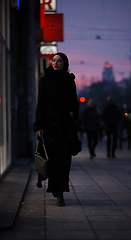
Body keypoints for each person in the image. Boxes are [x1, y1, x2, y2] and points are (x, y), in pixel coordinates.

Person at [33, 52, 80, 207]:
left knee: (64, 160)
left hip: (65, 126)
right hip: (50, 125)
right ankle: (55, 188)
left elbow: (75, 100)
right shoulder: (45, 79)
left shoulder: (69, 80)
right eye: (54, 60)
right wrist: (39, 125)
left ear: (65, 63)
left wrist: (73, 112)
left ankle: (60, 192)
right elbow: (41, 103)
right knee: (53, 159)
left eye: (59, 61)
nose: (56, 63)